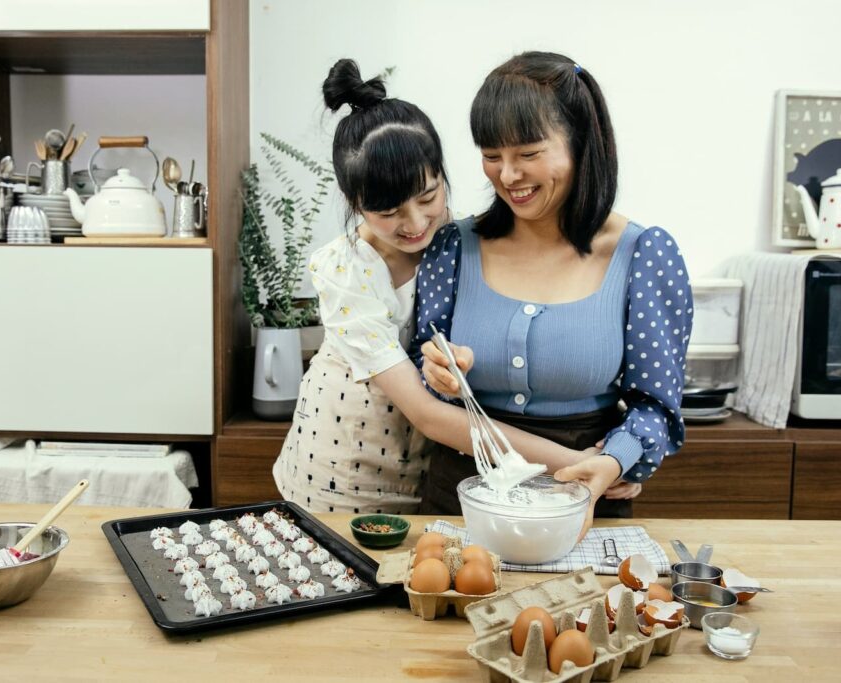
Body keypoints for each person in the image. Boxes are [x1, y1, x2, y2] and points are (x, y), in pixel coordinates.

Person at [273, 59, 595, 515]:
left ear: (443, 174)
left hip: (427, 471)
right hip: (338, 474)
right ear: (355, 203)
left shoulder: (460, 243)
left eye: (428, 197)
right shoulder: (345, 271)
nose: (415, 223)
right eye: (388, 213)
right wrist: (579, 465)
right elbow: (426, 412)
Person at [414, 52, 693, 530]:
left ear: (581, 143)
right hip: (460, 502)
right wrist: (436, 370)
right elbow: (421, 365)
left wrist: (615, 462)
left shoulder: (643, 255)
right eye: (491, 155)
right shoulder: (454, 247)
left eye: (528, 154)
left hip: (584, 497)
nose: (507, 175)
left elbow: (656, 409)